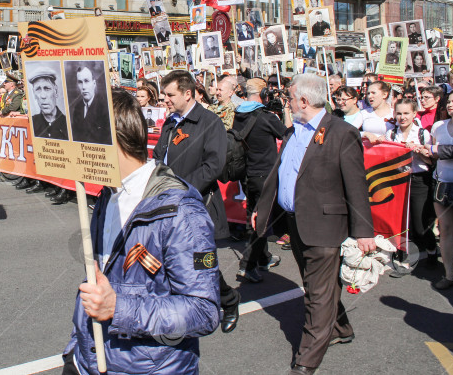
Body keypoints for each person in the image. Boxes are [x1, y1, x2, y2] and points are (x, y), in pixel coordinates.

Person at [62, 88, 220, 375]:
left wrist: (119, 308)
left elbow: (204, 311)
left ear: (108, 138)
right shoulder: (106, 195)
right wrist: (75, 351)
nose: (73, 150)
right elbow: (98, 283)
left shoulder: (182, 211)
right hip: (92, 362)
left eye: (80, 138)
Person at [253, 74, 376, 375]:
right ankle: (340, 327)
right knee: (315, 284)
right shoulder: (293, 131)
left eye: (291, 98)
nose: (287, 102)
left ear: (304, 101)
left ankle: (306, 360)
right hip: (295, 223)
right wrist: (263, 207)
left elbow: (356, 185)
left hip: (324, 225)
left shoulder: (341, 132)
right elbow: (280, 173)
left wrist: (364, 231)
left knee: (317, 295)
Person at [152, 71, 239, 333]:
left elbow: (213, 166)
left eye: (170, 95)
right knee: (170, 257)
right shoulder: (170, 122)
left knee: (203, 260)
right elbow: (159, 157)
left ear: (187, 94)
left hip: (196, 204)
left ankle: (229, 300)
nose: (165, 99)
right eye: (164, 94)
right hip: (166, 201)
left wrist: (179, 188)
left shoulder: (209, 122)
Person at [233, 78, 290, 283]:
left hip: (247, 174)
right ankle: (246, 265)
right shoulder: (265, 116)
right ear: (264, 93)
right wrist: (286, 113)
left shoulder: (239, 114)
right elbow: (287, 134)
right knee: (260, 221)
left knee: (253, 217)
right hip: (264, 175)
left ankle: (264, 257)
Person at [386, 99, 437, 271]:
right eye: (399, 113)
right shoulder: (391, 134)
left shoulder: (422, 133)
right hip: (398, 179)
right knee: (401, 220)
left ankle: (431, 250)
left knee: (420, 223)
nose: (402, 117)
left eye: (406, 113)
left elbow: (430, 160)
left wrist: (418, 150)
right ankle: (404, 253)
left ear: (414, 114)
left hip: (418, 179)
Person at [428, 89, 453, 289]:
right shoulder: (438, 126)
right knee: (446, 230)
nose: (450, 105)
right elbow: (434, 153)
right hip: (442, 183)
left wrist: (434, 150)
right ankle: (449, 274)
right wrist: (426, 150)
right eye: (448, 102)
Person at [69, 65, 112, 145]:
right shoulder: (77, 108)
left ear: (94, 83)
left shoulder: (105, 107)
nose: (83, 87)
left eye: (86, 81)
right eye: (80, 82)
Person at [29, 67, 68, 140]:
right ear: (34, 94)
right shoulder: (31, 123)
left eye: (47, 88)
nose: (43, 96)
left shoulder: (68, 123)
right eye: (38, 89)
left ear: (56, 91)